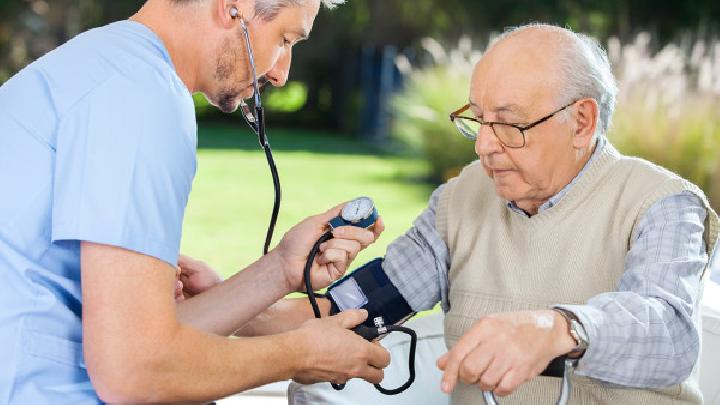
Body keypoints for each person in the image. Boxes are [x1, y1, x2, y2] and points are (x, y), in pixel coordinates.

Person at [243, 24, 720, 404]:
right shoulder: (462, 197)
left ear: (582, 122)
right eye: (478, 120)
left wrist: (558, 329)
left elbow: (670, 334)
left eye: (510, 124)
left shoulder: (661, 202)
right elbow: (365, 304)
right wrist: (232, 310)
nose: (486, 146)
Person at [0, 0, 392, 403]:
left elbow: (140, 342)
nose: (280, 73)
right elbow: (134, 371)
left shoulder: (107, 66)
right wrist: (299, 353)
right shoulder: (142, 99)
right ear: (233, 9)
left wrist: (280, 270)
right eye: (285, 39)